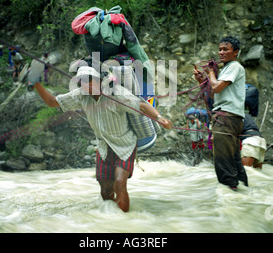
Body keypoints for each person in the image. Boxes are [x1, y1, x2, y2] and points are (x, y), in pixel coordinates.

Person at [31, 64, 173, 212]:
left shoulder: (117, 93)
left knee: (119, 183)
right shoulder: (81, 95)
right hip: (104, 146)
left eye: (90, 80)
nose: (86, 85)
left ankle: (124, 222)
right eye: (82, 81)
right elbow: (53, 102)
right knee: (105, 191)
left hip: (125, 145)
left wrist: (159, 118)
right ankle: (111, 218)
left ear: (100, 80)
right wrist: (36, 83)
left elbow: (141, 105)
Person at [194, 36, 248, 190]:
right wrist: (202, 80)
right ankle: (243, 192)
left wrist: (211, 73)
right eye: (220, 49)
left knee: (223, 161)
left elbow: (216, 88)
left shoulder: (234, 66)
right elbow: (214, 94)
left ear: (235, 52)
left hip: (226, 118)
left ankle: (229, 193)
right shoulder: (227, 68)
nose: (221, 52)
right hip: (230, 118)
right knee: (233, 160)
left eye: (226, 49)